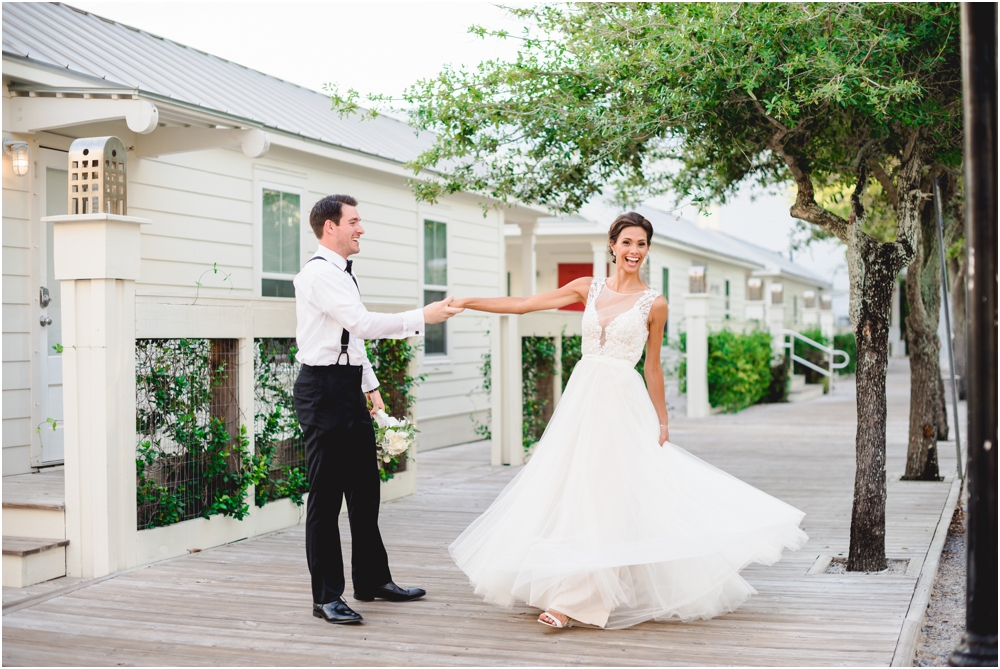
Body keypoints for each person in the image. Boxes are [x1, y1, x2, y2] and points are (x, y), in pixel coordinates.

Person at [448, 212, 808, 630]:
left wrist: (663, 421)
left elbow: (652, 368)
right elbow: (525, 305)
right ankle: (577, 582)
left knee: (607, 496)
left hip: (622, 403)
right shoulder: (587, 287)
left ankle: (574, 601)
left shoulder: (654, 303)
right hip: (582, 401)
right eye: (627, 243)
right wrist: (465, 302)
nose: (634, 251)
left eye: (642, 244)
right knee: (572, 490)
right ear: (612, 246)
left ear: (647, 250)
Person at [292, 194, 463, 625]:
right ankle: (327, 597)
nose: (360, 228)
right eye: (354, 221)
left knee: (365, 491)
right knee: (326, 499)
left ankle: (371, 582)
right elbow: (363, 324)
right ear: (330, 227)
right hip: (322, 391)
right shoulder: (318, 275)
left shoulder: (342, 273)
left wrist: (370, 387)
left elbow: (353, 339)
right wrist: (420, 316)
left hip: (347, 387)